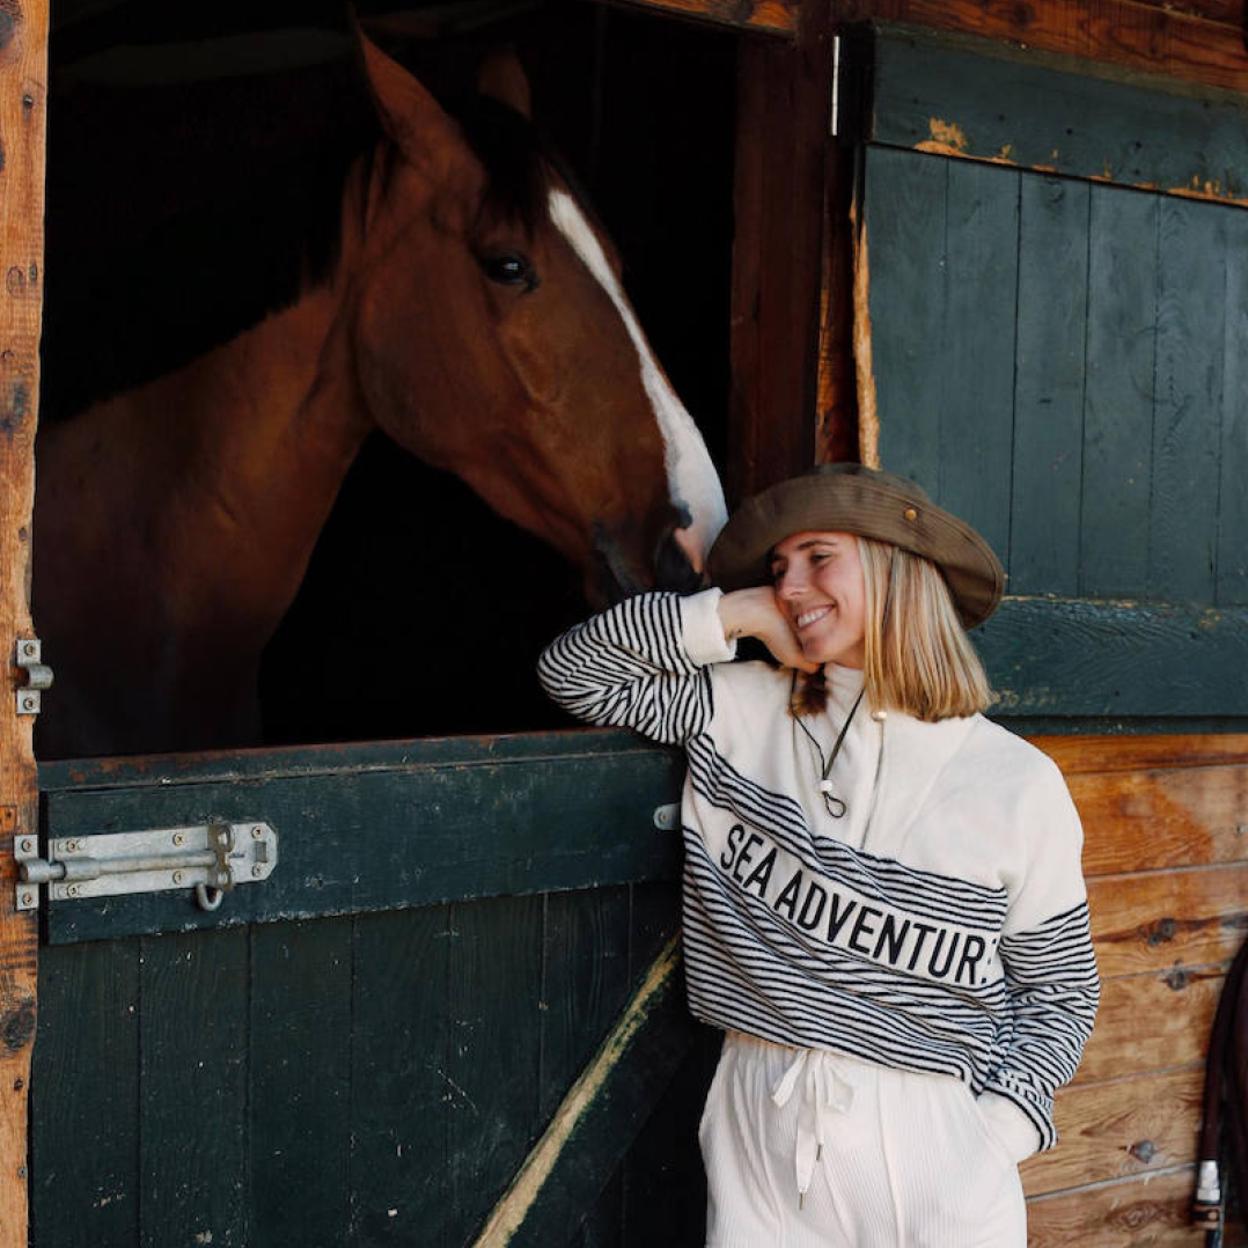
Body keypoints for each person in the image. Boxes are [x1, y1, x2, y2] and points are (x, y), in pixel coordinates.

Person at [538, 462, 1099, 1247]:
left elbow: (1061, 992)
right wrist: (736, 612)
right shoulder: (739, 710)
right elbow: (574, 671)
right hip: (760, 1120)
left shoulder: (1016, 784)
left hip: (932, 1139)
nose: (790, 586)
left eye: (819, 557)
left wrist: (992, 1136)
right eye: (777, 568)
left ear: (896, 568)